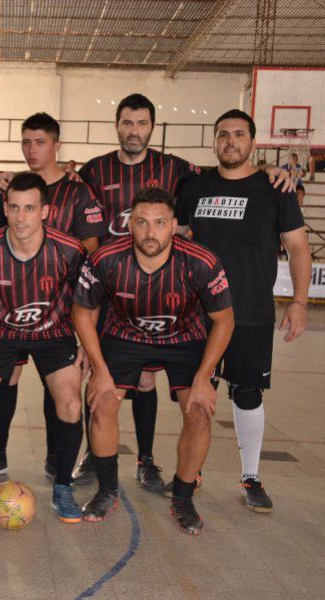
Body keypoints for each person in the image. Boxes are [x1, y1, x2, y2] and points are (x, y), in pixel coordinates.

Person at [72, 186, 234, 534]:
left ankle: (184, 496)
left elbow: (224, 320)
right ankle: (107, 489)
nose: (150, 232)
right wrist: (100, 370)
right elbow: (83, 312)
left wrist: (204, 378)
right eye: (142, 222)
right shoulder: (106, 259)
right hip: (124, 334)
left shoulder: (201, 262)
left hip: (185, 337)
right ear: (130, 224)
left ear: (174, 225)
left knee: (199, 411)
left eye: (159, 223)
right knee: (101, 401)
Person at [176, 109, 311, 513]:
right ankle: (190, 470)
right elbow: (177, 243)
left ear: (252, 142)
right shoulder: (193, 187)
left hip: (251, 310)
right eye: (222, 134)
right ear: (214, 141)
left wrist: (300, 301)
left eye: (238, 134)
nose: (230, 140)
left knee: (248, 394)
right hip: (199, 314)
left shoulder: (276, 189)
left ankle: (251, 475)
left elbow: (299, 247)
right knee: (197, 397)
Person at [71, 93, 203, 492]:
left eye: (142, 123)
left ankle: (146, 460)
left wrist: (270, 175)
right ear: (117, 126)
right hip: (108, 283)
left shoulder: (176, 168)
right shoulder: (94, 170)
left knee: (145, 379)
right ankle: (95, 455)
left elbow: (217, 182)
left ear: (152, 128)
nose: (134, 131)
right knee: (96, 374)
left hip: (151, 285)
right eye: (127, 123)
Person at [0, 172, 86, 524]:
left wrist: (86, 343)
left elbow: (86, 301)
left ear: (45, 211)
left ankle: (63, 487)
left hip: (54, 333)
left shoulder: (70, 250)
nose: (21, 217)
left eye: (30, 208)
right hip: (0, 331)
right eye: (14, 208)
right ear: (5, 209)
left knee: (70, 404)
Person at [0, 112, 105, 479]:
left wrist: (51, 263)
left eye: (39, 142)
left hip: (60, 308)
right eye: (25, 142)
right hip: (12, 304)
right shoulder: (13, 189)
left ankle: (57, 457)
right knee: (8, 375)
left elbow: (90, 247)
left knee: (60, 383)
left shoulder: (77, 190)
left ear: (57, 146)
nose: (31, 150)